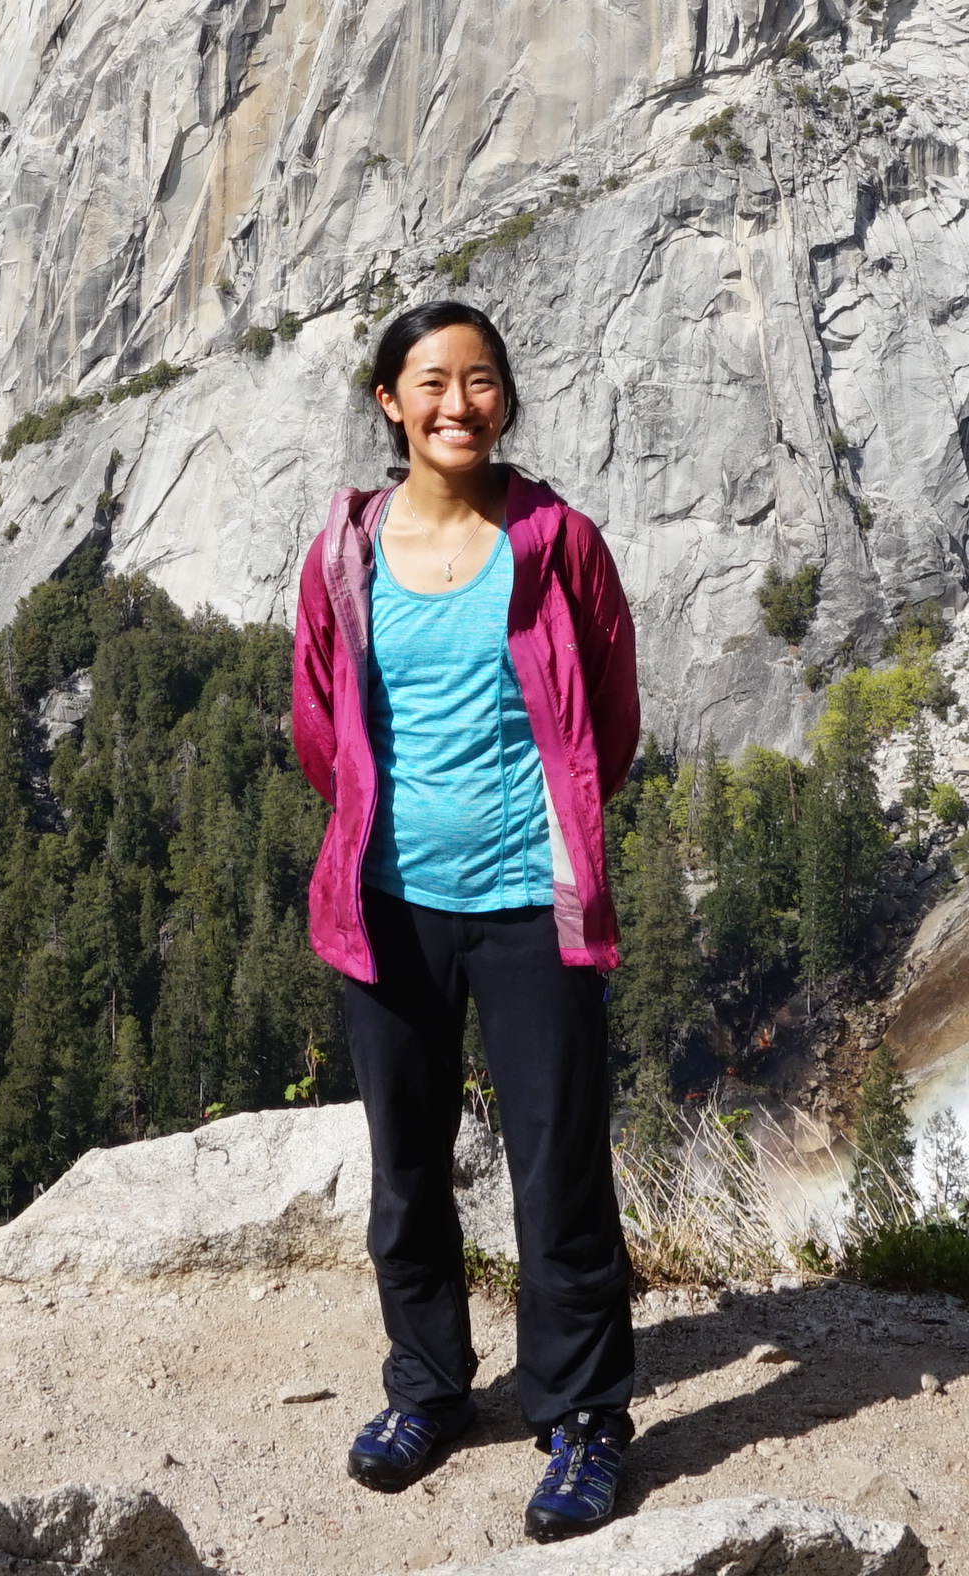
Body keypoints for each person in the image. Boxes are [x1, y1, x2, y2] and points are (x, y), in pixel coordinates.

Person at [289, 299, 644, 1542]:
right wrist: (383, 828)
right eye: (430, 381)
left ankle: (585, 1412)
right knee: (406, 1163)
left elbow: (609, 715)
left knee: (558, 1167)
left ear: (505, 398)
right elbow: (317, 719)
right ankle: (428, 1386)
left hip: (531, 905)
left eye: (479, 379)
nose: (457, 402)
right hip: (387, 901)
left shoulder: (558, 543)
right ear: (388, 401)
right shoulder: (343, 547)